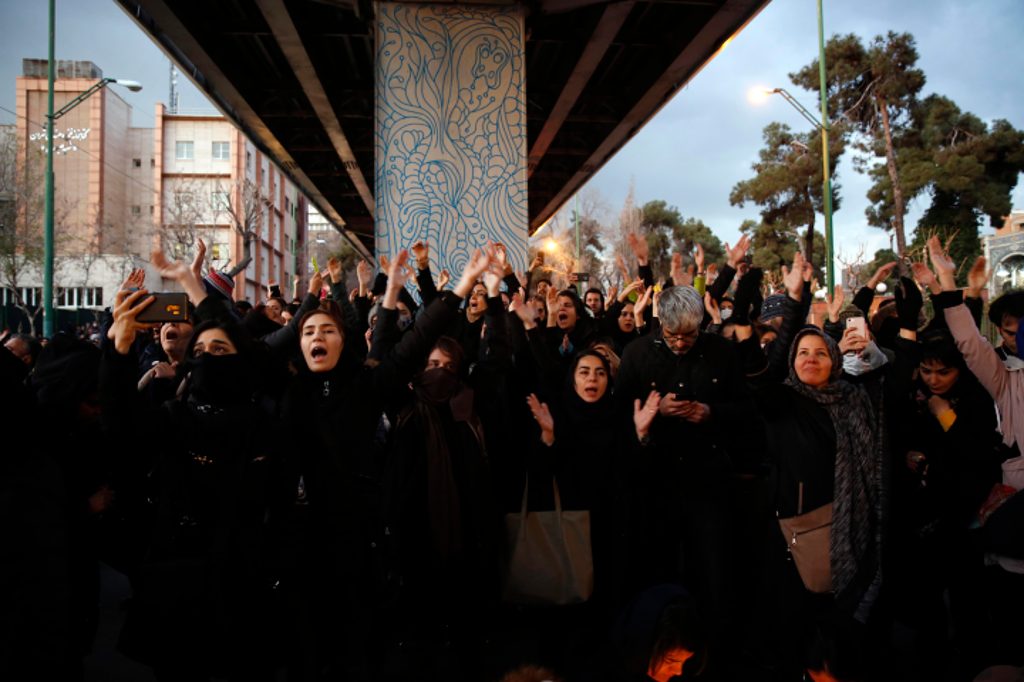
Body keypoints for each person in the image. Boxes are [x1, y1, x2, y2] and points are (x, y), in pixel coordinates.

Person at [736, 253, 885, 680]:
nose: (810, 358)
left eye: (821, 352)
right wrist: (795, 302)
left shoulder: (855, 398)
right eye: (802, 353)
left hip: (851, 532)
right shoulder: (782, 401)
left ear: (835, 360)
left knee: (842, 637)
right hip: (795, 538)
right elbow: (762, 371)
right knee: (795, 631)